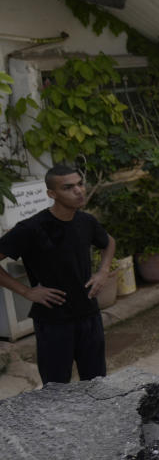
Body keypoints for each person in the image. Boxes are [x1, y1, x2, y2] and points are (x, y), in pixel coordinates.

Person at [0, 164, 115, 385]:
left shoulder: (86, 221)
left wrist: (103, 271)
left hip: (89, 315)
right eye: (68, 187)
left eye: (80, 184)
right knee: (56, 389)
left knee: (97, 385)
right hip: (54, 322)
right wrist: (26, 291)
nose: (79, 191)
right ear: (51, 194)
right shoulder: (31, 228)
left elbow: (108, 242)